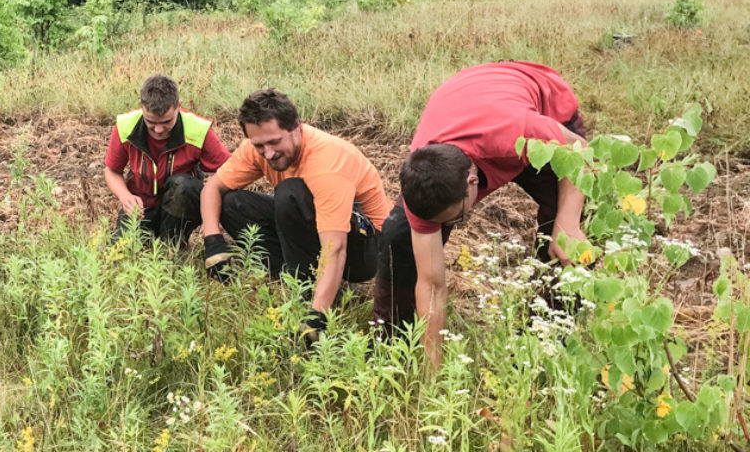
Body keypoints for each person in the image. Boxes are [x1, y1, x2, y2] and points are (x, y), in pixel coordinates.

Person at [373, 61, 587, 366]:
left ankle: (541, 345)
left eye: (456, 218)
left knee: (569, 229)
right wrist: (433, 375)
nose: (450, 227)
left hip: (543, 107)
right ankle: (392, 349)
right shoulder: (424, 173)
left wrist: (567, 223)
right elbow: (432, 283)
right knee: (399, 233)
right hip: (471, 102)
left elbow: (580, 151)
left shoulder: (518, 131)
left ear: (472, 181)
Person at [200, 89, 392, 345]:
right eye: (259, 145)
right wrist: (212, 241)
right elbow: (212, 187)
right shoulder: (256, 148)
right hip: (320, 227)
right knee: (232, 203)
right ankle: (300, 278)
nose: (267, 153)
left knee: (290, 193)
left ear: (296, 128)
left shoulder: (327, 163)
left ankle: (314, 297)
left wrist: (317, 316)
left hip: (367, 249)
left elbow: (335, 249)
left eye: (274, 142)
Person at [105, 74, 230, 246]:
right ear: (142, 107)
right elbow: (112, 170)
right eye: (150, 122)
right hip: (141, 208)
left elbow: (231, 171)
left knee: (183, 187)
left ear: (178, 106)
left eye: (166, 122)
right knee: (122, 249)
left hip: (180, 206)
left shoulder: (198, 129)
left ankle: (172, 242)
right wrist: (125, 196)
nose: (158, 130)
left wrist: (212, 221)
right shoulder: (124, 125)